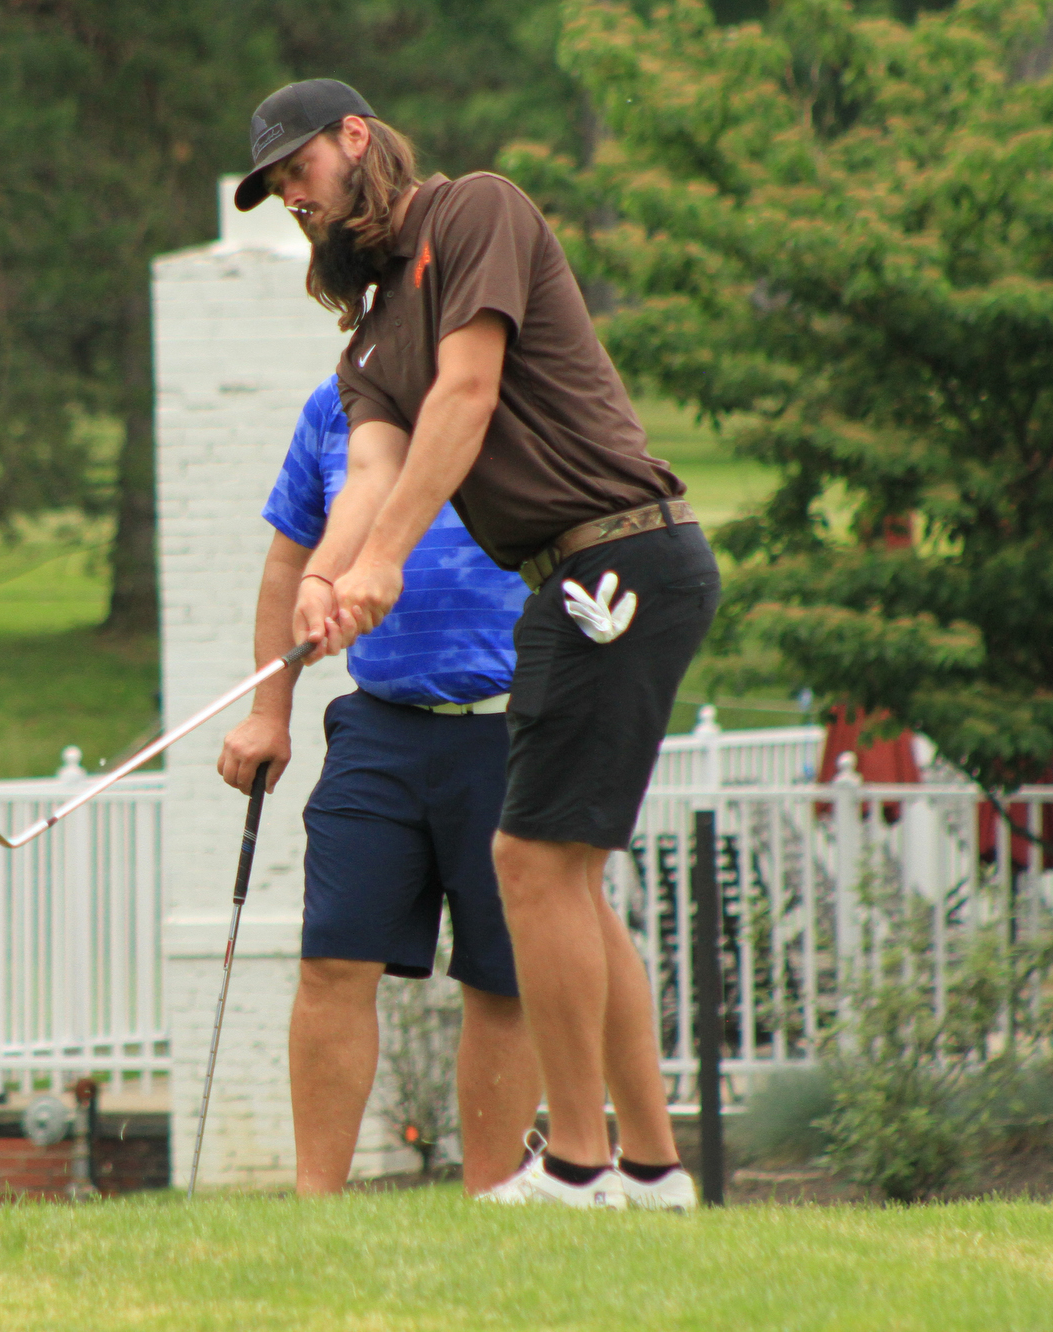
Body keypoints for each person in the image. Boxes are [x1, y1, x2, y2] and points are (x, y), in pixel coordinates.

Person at [235, 79, 712, 1210]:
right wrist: (326, 580)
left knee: (530, 866)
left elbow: (469, 389)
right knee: (564, 878)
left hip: (621, 557)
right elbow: (370, 474)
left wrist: (383, 563)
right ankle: (647, 1170)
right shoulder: (369, 343)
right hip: (568, 578)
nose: (292, 199)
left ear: (354, 137)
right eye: (276, 193)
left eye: (297, 171)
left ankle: (587, 1168)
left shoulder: (475, 213)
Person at [218, 374, 540, 1196]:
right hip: (380, 723)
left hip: (515, 729)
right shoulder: (332, 408)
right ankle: (315, 1205)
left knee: (502, 977)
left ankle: (493, 1201)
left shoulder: (518, 394)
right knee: (332, 959)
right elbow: (289, 560)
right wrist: (269, 712)